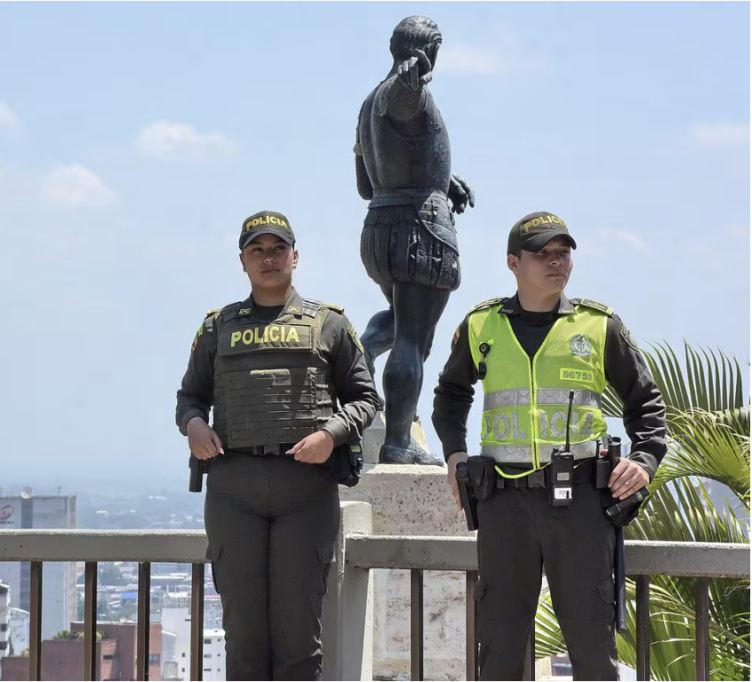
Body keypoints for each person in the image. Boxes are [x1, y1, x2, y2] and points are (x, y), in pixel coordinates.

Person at [432, 211, 668, 680]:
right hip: (503, 504)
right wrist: (455, 453)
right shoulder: (481, 326)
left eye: (563, 253)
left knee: (592, 649)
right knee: (498, 652)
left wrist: (644, 460)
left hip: (580, 504)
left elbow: (647, 403)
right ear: (513, 263)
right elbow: (450, 394)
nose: (557, 262)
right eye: (543, 254)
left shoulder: (599, 326)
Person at [175, 210, 381, 680]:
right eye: (257, 250)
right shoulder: (217, 328)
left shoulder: (329, 324)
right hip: (233, 489)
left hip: (304, 489)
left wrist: (331, 434)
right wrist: (194, 425)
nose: (268, 258)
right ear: (243, 261)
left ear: (295, 256)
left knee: (298, 640)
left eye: (277, 249)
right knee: (243, 639)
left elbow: (367, 398)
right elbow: (189, 397)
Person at [354, 15, 476, 464]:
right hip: (419, 231)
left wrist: (440, 180)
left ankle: (363, 351)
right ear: (431, 50)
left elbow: (366, 185)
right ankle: (399, 441)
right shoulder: (407, 91)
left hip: (380, 227)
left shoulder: (367, 103)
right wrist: (413, 80)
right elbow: (405, 102)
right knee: (413, 337)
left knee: (401, 319)